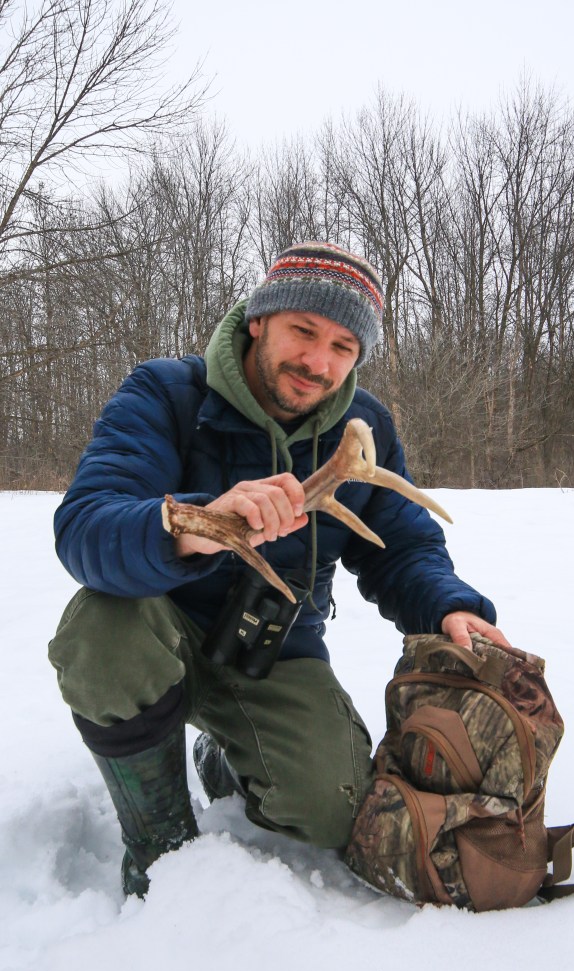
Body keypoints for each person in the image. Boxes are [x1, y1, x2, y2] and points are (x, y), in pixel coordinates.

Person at [48, 241, 508, 897]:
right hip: (160, 626)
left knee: (329, 808)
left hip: (272, 645)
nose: (318, 363)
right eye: (304, 331)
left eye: (343, 347)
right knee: (99, 628)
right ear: (259, 319)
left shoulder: (363, 424)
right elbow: (85, 527)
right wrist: (193, 523)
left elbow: (402, 545)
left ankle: (223, 748)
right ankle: (158, 840)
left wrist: (448, 607)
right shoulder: (166, 393)